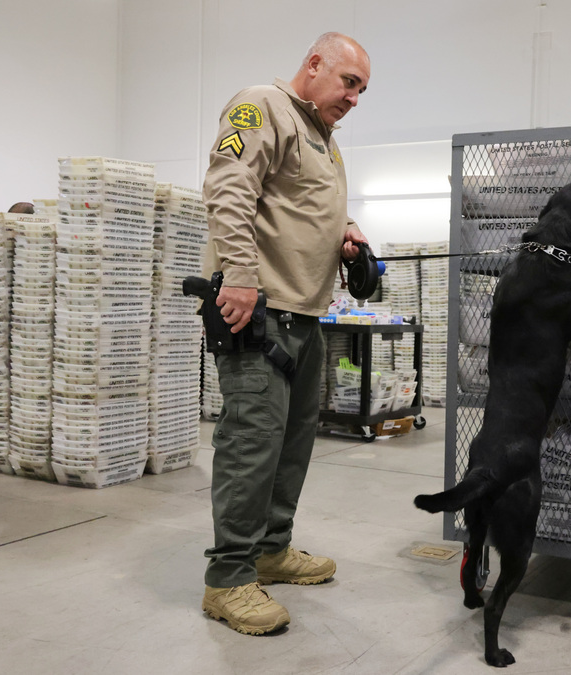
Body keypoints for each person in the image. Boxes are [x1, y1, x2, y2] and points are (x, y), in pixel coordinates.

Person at [199, 31, 371, 636]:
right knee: (252, 445)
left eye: (361, 90)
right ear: (315, 64)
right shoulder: (261, 106)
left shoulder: (324, 137)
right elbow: (229, 185)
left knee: (291, 446)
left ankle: (271, 549)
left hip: (305, 315)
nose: (354, 98)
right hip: (258, 312)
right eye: (348, 82)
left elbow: (302, 204)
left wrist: (346, 229)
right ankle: (228, 579)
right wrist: (240, 275)